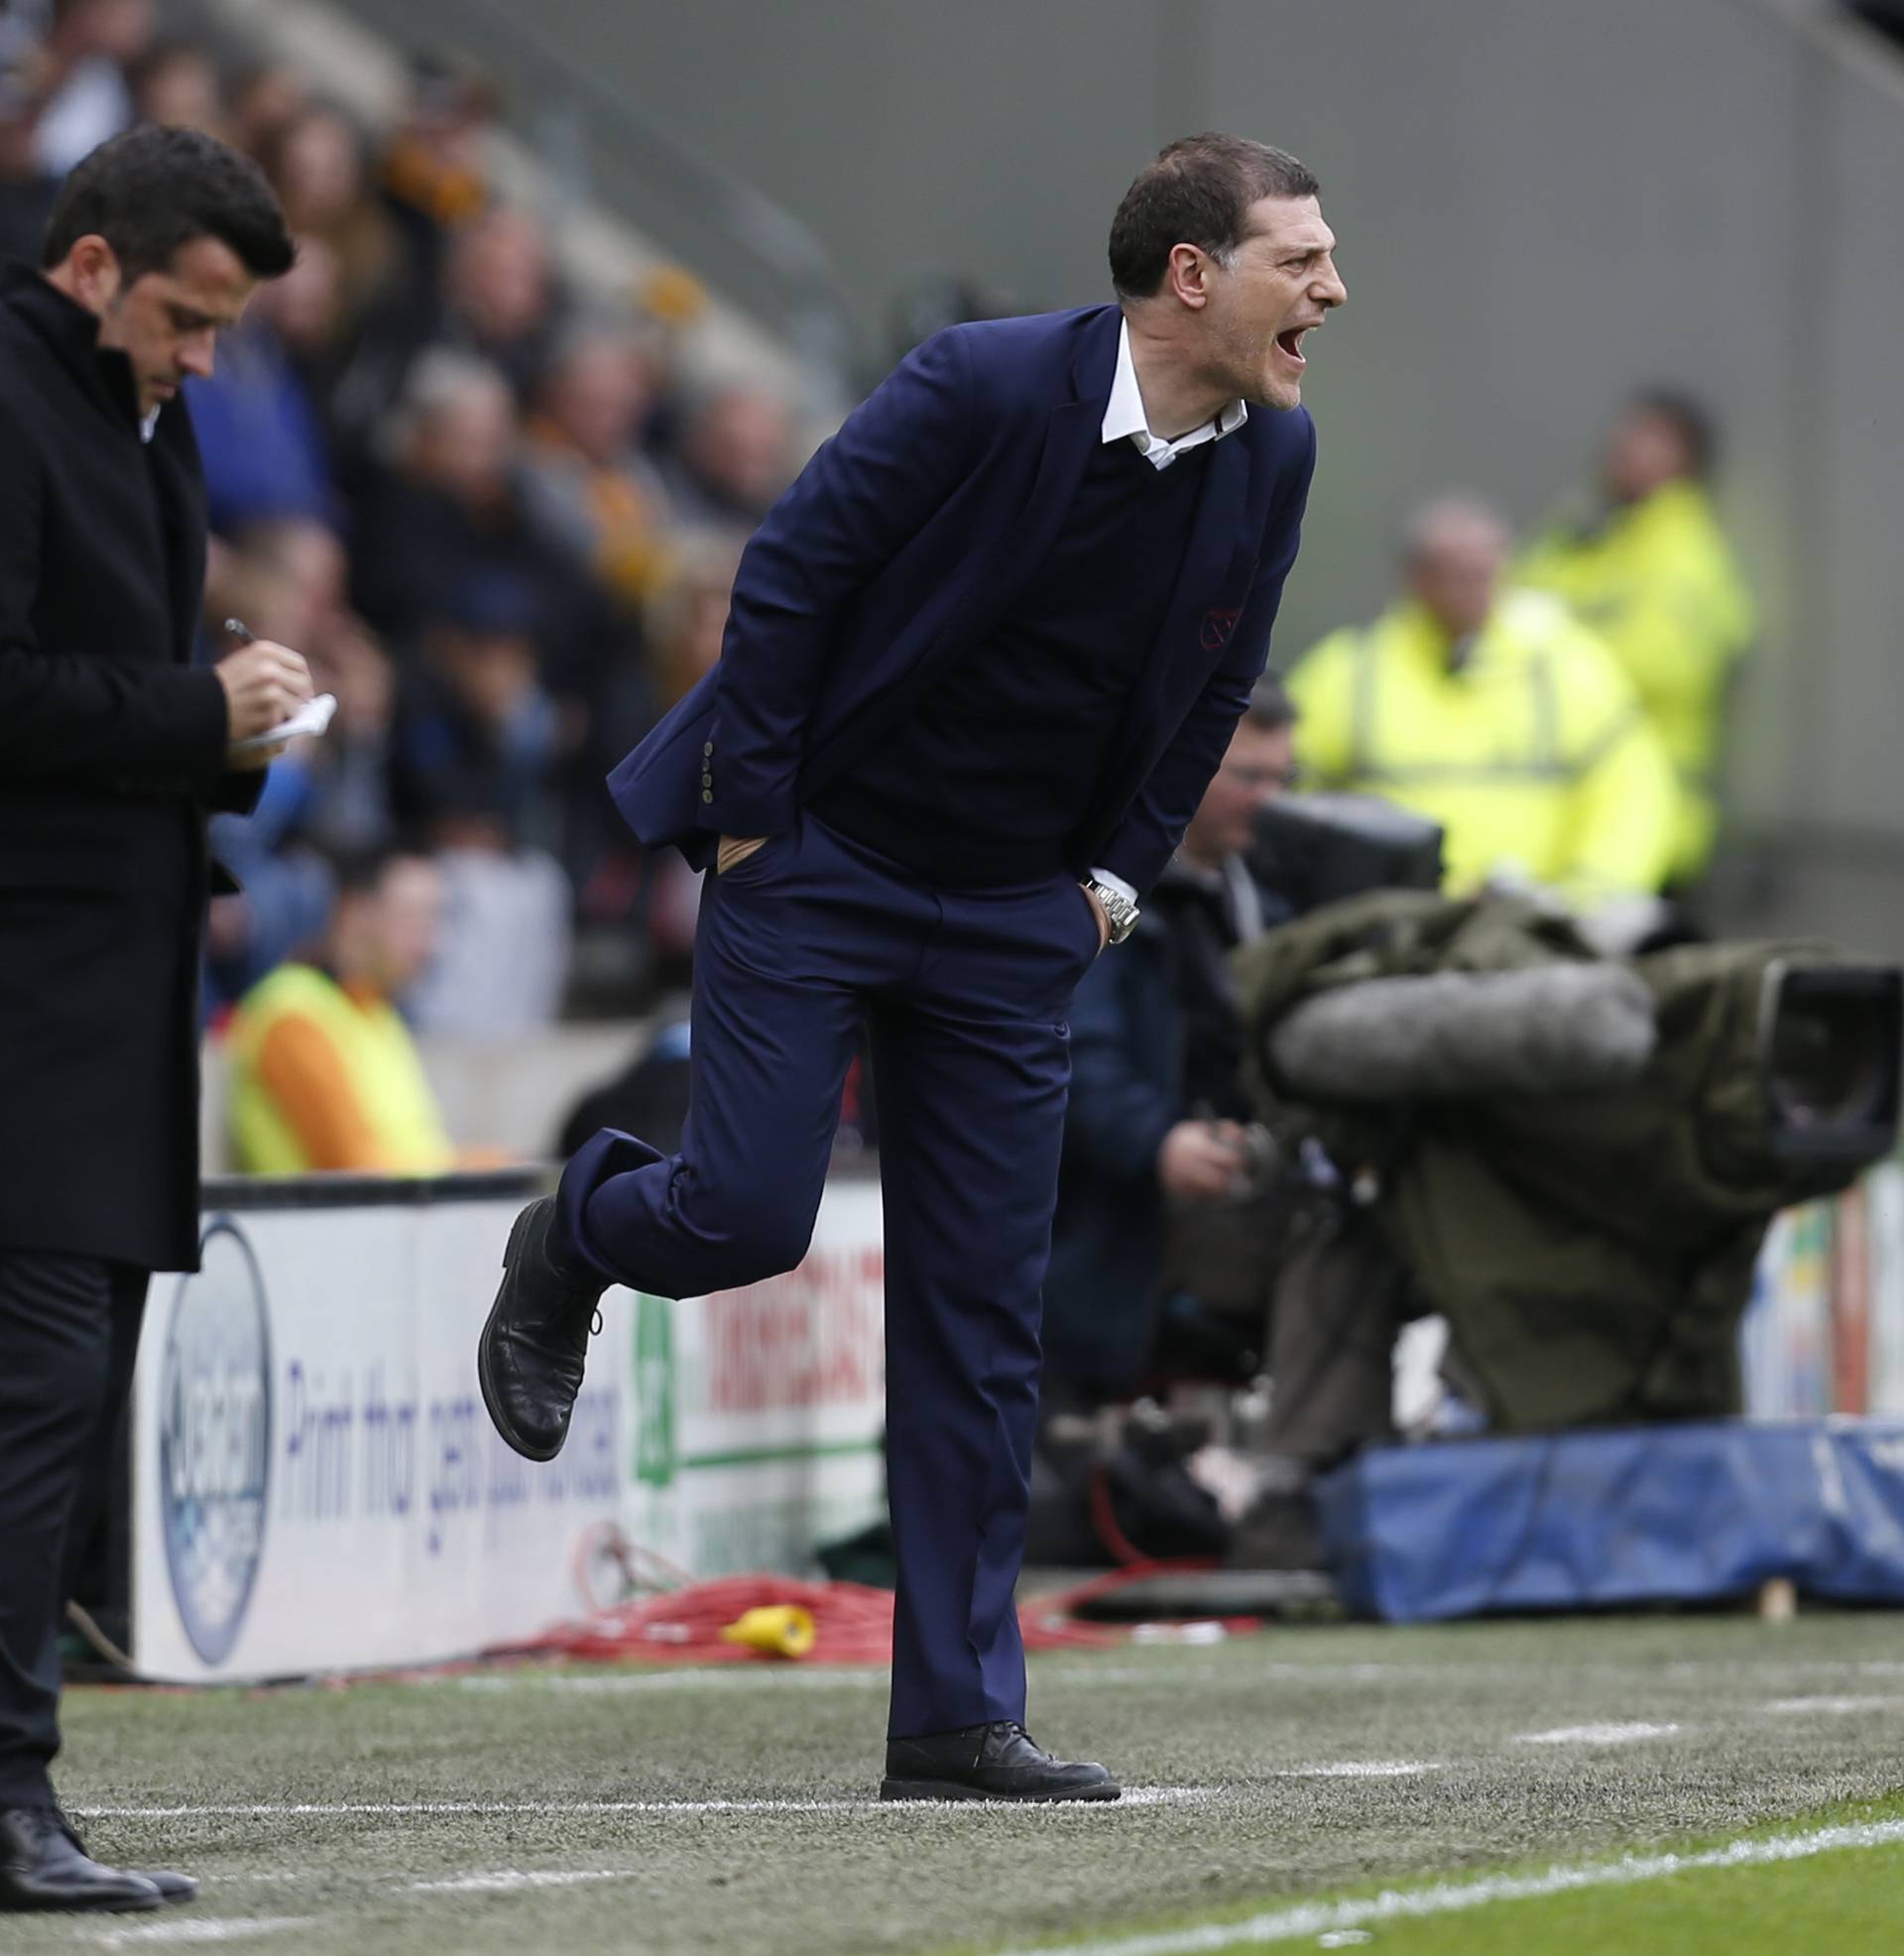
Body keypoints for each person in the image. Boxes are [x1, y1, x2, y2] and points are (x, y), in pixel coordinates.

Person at [477, 132, 1344, 1799]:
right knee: (745, 1214)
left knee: (978, 1315)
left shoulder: (1274, 455)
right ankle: (575, 1226)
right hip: (821, 863)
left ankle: (953, 1711)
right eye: (1300, 259)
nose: (1332, 290)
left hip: (1019, 909)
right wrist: (754, 824)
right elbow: (792, 570)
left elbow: (1221, 683)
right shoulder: (979, 383)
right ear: (1192, 277)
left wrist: (1110, 879)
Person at [0, 125, 301, 1911]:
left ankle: (20, 1789)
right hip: (29, 1006)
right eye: (188, 320)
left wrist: (232, 738)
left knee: (60, 1401)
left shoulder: (139, 417)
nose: (206, 361)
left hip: (107, 999)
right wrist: (200, 716)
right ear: (94, 263)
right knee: (36, 1398)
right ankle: (6, 1796)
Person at [1044, 677, 1301, 1404]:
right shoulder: (1098, 896)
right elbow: (1070, 1056)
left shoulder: (1269, 905)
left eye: (1284, 778)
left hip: (1209, 1231)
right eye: (1247, 776)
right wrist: (1159, 1144)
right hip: (1097, 1247)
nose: (1269, 799)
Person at [1289, 496, 1680, 923]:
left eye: (1487, 572)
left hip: (1538, 926)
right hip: (1392, 928)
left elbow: (1632, 791)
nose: (1477, 589)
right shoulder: (1348, 673)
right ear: (1417, 578)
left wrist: (1589, 898)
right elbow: (1288, 798)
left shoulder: (1570, 666)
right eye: (1458, 575)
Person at [1516, 389, 1754, 885]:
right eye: (1626, 431)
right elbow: (1503, 617)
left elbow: (1660, 669)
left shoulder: (1686, 555)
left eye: (1650, 436)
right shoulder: (1579, 537)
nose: (1624, 445)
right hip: (1562, 819)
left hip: (1655, 821)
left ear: (1686, 460)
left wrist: (1550, 647)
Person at [225, 849, 456, 1173]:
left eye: (435, 919)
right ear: (355, 912)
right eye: (412, 917)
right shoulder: (292, 1012)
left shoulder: (377, 1012)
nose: (431, 944)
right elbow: (356, 1170)